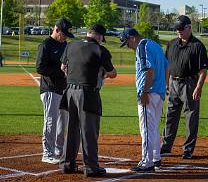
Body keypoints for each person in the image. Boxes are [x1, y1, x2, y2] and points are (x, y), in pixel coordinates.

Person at [59, 24, 117, 177]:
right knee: (89, 130)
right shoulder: (100, 50)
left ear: (88, 33)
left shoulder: (71, 45)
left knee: (71, 129)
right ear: (99, 36)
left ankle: (67, 164)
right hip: (87, 93)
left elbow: (62, 67)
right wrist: (101, 72)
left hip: (69, 91)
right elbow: (112, 73)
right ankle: (91, 167)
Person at [160, 15, 208, 159]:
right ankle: (166, 146)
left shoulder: (197, 46)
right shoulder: (172, 44)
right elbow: (168, 65)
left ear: (189, 27)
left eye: (181, 29)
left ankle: (187, 150)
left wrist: (198, 87)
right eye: (177, 30)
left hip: (190, 84)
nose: (179, 32)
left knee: (191, 118)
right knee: (170, 116)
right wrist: (166, 82)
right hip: (173, 83)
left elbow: (203, 71)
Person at [120, 28, 168, 172]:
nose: (128, 46)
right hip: (158, 93)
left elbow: (149, 69)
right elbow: (167, 66)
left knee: (146, 128)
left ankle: (147, 161)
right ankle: (155, 158)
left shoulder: (142, 46)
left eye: (126, 42)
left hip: (149, 93)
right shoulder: (155, 45)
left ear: (132, 37)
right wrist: (163, 86)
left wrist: (145, 91)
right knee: (153, 127)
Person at [36, 18, 74, 164]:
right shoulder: (46, 45)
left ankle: (58, 150)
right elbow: (40, 67)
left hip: (63, 88)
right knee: (51, 121)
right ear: (56, 29)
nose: (65, 37)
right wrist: (60, 72)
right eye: (63, 34)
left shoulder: (65, 44)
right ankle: (47, 153)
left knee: (62, 122)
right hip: (50, 89)